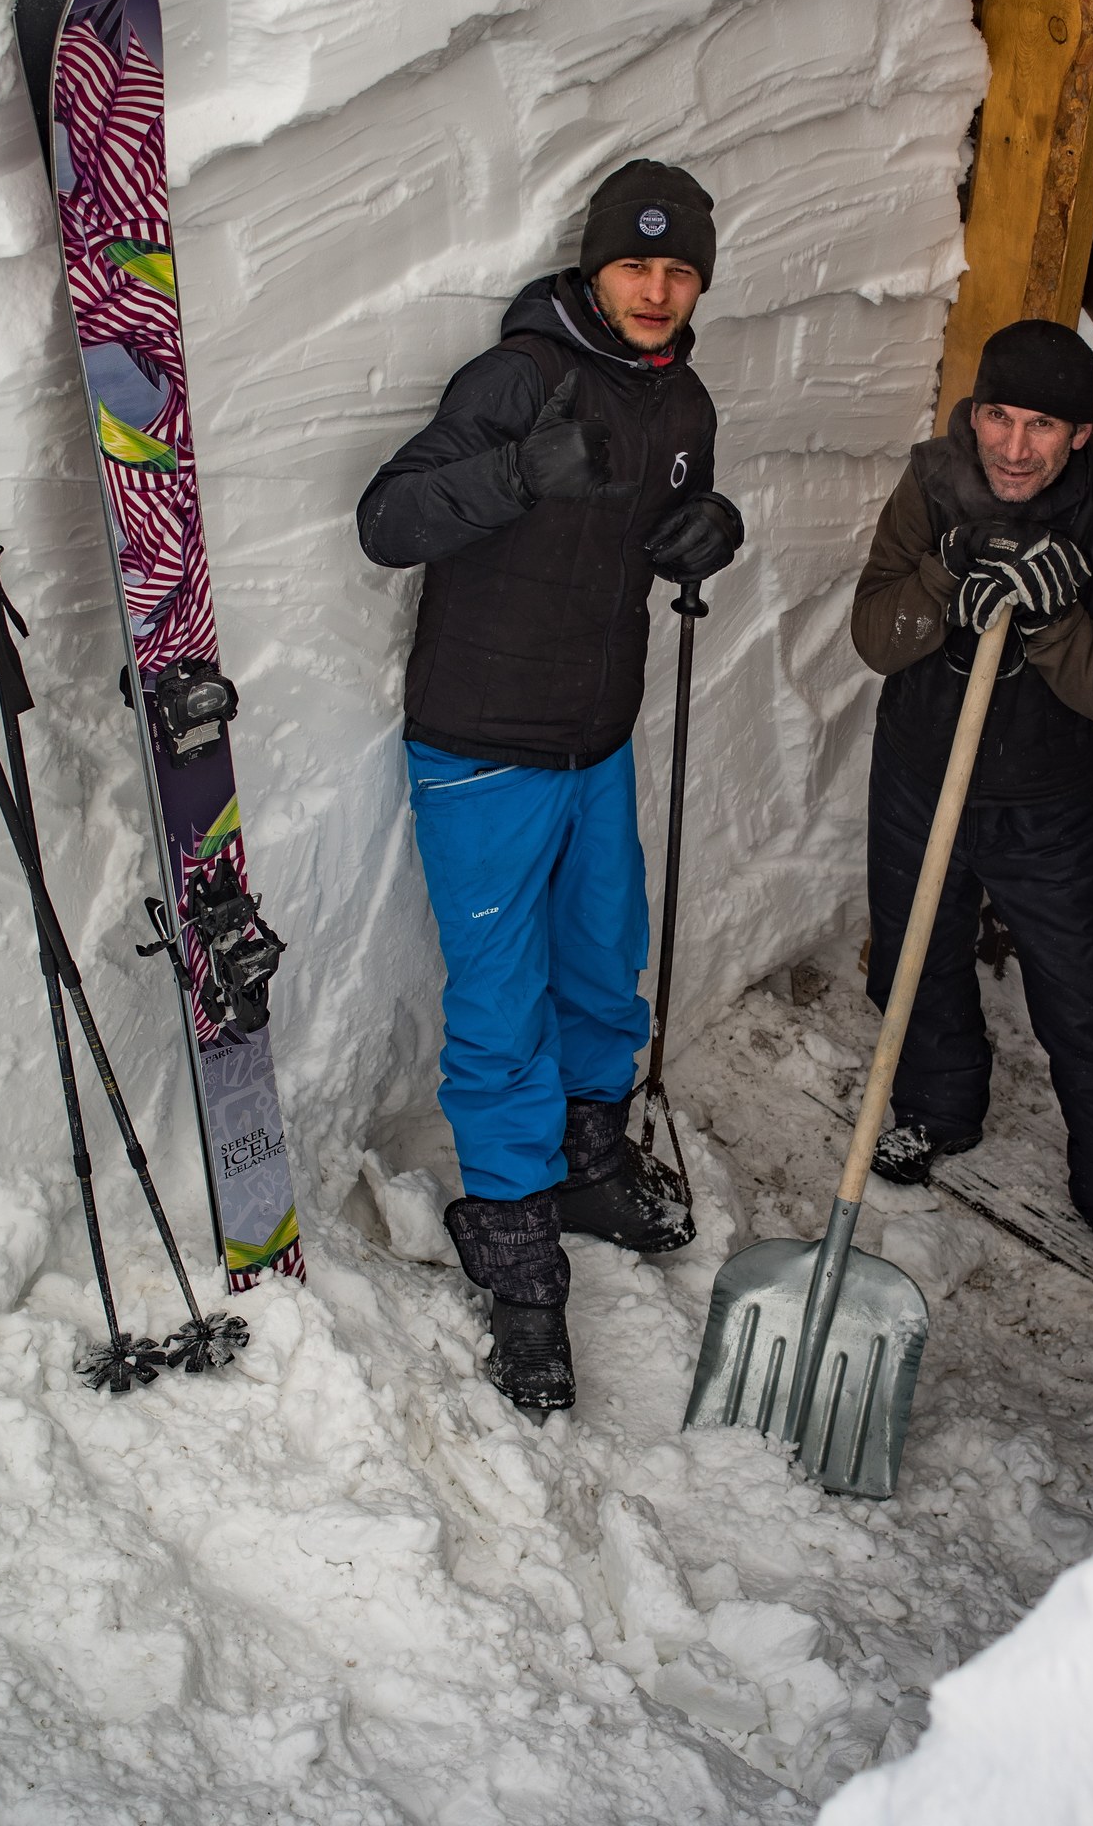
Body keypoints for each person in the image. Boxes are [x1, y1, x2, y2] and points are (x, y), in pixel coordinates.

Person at [357, 160, 743, 1408]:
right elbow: (390, 517)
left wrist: (706, 529)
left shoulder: (682, 402)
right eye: (636, 265)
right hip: (480, 743)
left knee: (598, 959)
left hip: (596, 737)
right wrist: (520, 471)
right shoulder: (515, 376)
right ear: (591, 266)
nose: (655, 287)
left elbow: (658, 523)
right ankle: (516, 1248)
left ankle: (585, 1158)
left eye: (679, 270)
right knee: (501, 1000)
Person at [849, 317, 1093, 1297]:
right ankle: (936, 1108)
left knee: (1078, 993)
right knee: (915, 953)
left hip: (1042, 804)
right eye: (998, 416)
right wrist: (946, 569)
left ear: (1079, 432)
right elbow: (876, 632)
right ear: (974, 411)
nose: (1014, 447)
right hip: (919, 769)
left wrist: (1049, 619)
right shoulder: (931, 481)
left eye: (1042, 425)